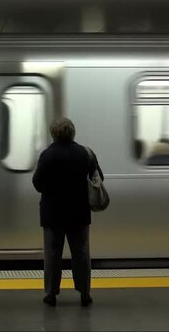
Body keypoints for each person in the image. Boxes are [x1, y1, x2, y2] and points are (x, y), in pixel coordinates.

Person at [32, 118, 102, 307]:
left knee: (53, 255)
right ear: (73, 132)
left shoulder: (47, 155)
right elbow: (98, 179)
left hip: (52, 215)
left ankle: (51, 294)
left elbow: (37, 184)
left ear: (53, 134)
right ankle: (84, 293)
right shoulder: (85, 153)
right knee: (81, 254)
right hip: (79, 213)